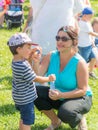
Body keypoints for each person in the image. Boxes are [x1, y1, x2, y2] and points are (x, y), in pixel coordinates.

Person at [32, 26, 92, 130]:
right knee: (33, 93)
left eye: (64, 39)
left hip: (79, 97)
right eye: (58, 38)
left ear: (74, 42)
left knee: (66, 113)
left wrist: (62, 94)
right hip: (58, 95)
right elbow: (37, 77)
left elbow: (82, 90)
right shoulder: (51, 56)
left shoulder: (79, 62)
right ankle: (55, 122)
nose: (60, 41)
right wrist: (36, 62)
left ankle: (80, 117)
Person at [7, 33, 56, 130]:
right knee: (27, 120)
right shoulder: (23, 66)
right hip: (26, 99)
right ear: (19, 49)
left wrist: (30, 57)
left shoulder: (17, 61)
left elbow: (28, 68)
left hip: (19, 97)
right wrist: (48, 79)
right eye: (28, 47)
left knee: (24, 117)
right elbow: (36, 78)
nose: (30, 50)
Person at [78, 7, 98, 79]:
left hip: (89, 44)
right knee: (83, 62)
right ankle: (81, 75)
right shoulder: (83, 24)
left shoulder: (86, 21)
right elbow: (91, 33)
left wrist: (92, 41)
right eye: (90, 17)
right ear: (85, 15)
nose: (91, 18)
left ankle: (90, 72)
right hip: (84, 46)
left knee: (94, 57)